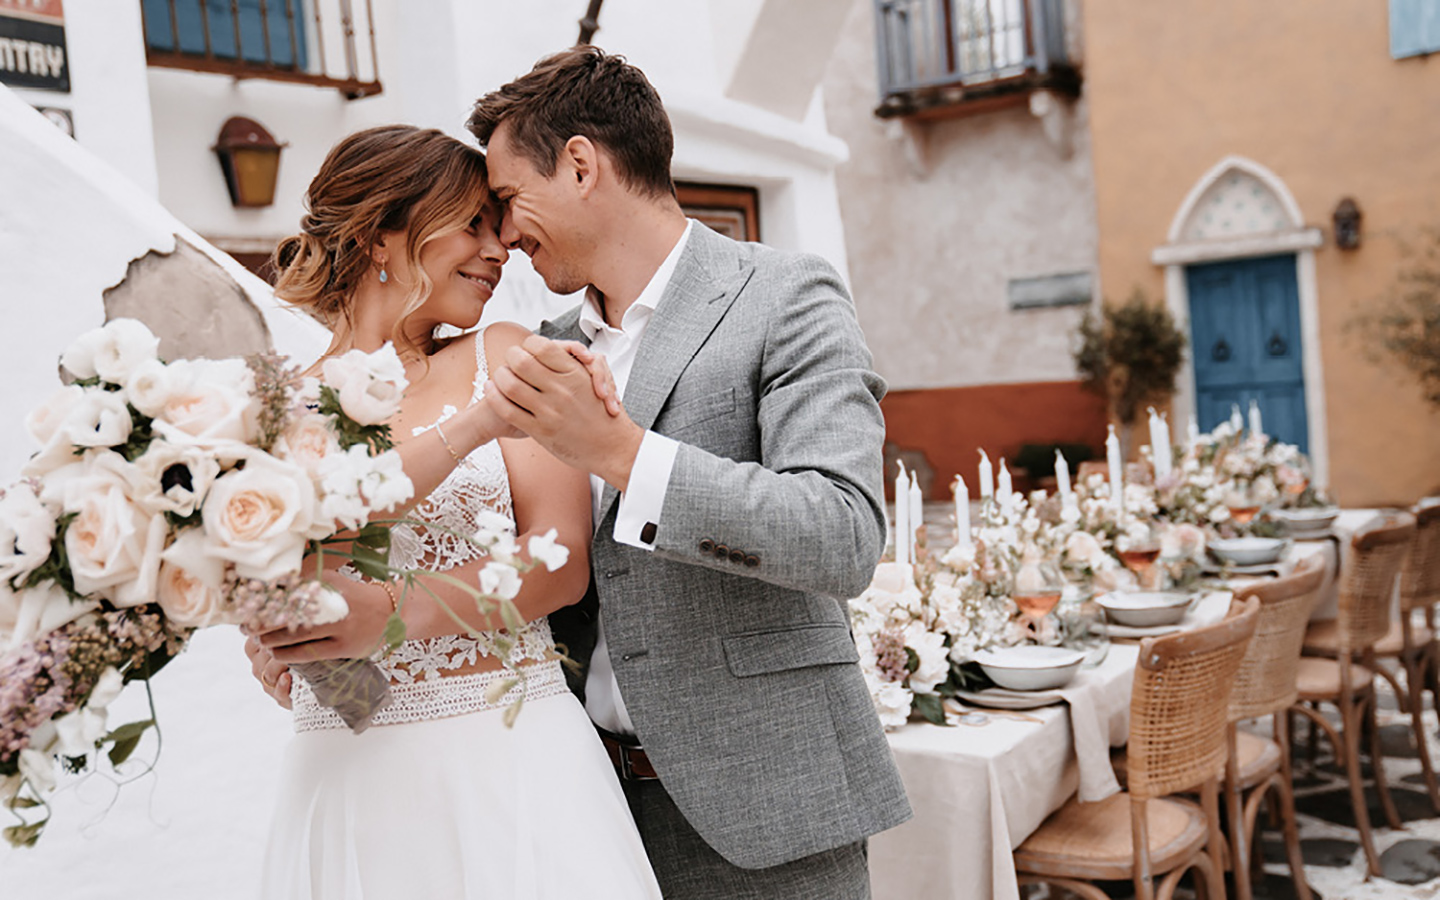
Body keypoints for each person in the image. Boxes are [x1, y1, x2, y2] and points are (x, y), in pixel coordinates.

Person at [469, 47, 912, 899]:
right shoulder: (544, 350)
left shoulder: (784, 294)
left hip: (764, 810)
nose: (504, 234)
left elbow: (843, 532)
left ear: (581, 163)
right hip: (584, 806)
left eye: (507, 199)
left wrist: (622, 455)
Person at [244, 124, 662, 899]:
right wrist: (287, 646)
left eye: (499, 227)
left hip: (511, 757)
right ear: (381, 235)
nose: (499, 249)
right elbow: (275, 586)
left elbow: (561, 559)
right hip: (348, 767)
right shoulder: (268, 410)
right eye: (471, 222)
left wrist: (391, 616)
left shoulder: (506, 355)